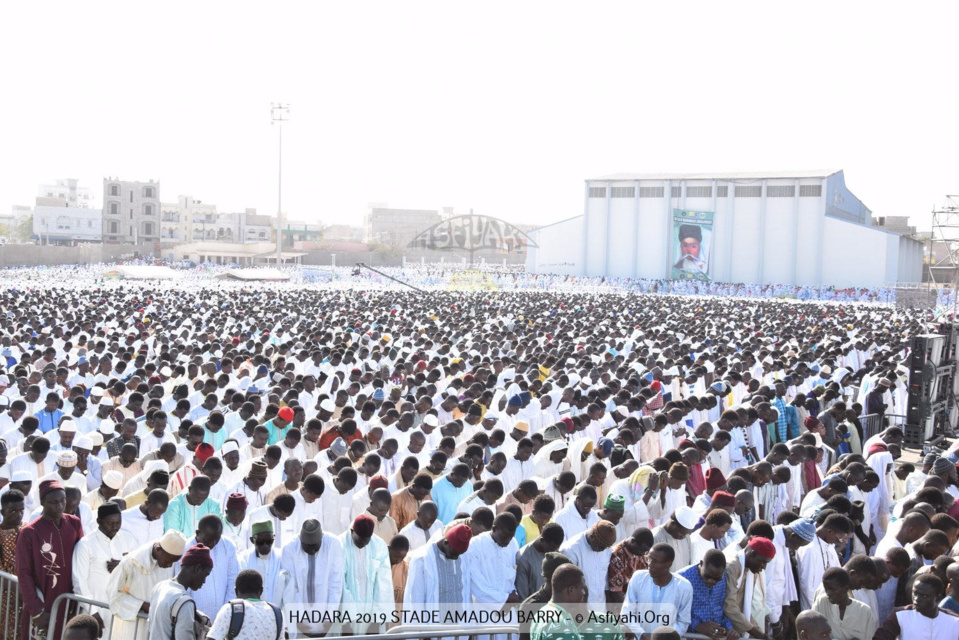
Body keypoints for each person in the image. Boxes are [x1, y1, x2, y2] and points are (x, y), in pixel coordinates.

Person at [15, 478, 84, 640]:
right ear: (43, 503)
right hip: (43, 603)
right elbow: (23, 573)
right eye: (53, 502)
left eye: (62, 501)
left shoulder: (74, 523)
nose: (60, 506)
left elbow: (81, 558)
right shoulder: (29, 532)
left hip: (69, 602)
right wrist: (36, 611)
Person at [107, 530, 187, 640]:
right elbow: (114, 596)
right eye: (168, 561)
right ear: (158, 549)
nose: (170, 566)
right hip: (131, 628)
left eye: (173, 562)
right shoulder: (131, 563)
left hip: (157, 628)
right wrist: (144, 606)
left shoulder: (168, 557)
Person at [280, 518, 343, 637]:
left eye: (315, 546)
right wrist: (299, 621)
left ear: (321, 539)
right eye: (307, 546)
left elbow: (335, 583)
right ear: (300, 540)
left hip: (326, 615)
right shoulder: (289, 548)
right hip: (299, 618)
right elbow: (290, 588)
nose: (311, 550)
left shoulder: (332, 544)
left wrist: (330, 618)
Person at [72, 501, 123, 634]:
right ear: (99, 521)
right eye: (111, 523)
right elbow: (79, 581)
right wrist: (93, 613)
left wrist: (121, 566)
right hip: (93, 612)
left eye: (118, 523)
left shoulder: (122, 541)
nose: (115, 527)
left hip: (116, 612)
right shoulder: (85, 544)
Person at [622, 543, 693, 637]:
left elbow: (683, 622)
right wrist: (641, 635)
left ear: (668, 564)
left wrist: (666, 638)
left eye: (655, 561)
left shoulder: (684, 586)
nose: (650, 564)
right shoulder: (638, 578)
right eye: (649, 559)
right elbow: (627, 613)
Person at [147, 543, 214, 640]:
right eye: (205, 575)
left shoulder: (159, 587)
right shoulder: (184, 602)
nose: (204, 581)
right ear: (197, 568)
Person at [404, 522, 473, 615]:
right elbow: (415, 600)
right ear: (446, 543)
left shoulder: (463, 557)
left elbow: (466, 594)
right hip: (433, 625)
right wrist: (419, 628)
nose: (456, 558)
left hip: (460, 625)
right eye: (454, 554)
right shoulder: (422, 559)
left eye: (459, 554)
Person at [874, 573, 959, 640]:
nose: (917, 599)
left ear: (937, 598)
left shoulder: (954, 621)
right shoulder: (900, 615)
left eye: (924, 596)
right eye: (915, 593)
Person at [723, 536, 776, 639]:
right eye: (763, 562)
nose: (764, 567)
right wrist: (758, 634)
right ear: (753, 554)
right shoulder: (732, 567)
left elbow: (744, 608)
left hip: (735, 627)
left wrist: (761, 634)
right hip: (723, 626)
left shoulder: (751, 571)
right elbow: (729, 607)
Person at [207, 570, 284, 640]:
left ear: (236, 591)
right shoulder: (277, 613)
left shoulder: (230, 609)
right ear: (261, 591)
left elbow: (212, 638)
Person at [678, 549, 736, 640]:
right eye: (707, 576)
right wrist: (698, 626)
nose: (711, 581)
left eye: (716, 579)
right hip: (689, 636)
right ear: (701, 563)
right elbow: (673, 612)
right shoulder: (682, 578)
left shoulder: (723, 576)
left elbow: (719, 609)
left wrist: (729, 628)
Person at [560, 520, 617, 609]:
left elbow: (604, 580)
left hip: (601, 609)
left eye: (606, 548)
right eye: (601, 547)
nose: (603, 550)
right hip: (580, 611)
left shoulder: (605, 548)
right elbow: (567, 588)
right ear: (592, 537)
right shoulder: (571, 550)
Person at [811, 567, 875, 640]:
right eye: (826, 589)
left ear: (846, 588)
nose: (828, 593)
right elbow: (813, 634)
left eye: (832, 589)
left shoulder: (864, 611)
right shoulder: (821, 603)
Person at [238, 520, 289, 605]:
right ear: (252, 540)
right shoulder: (243, 560)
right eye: (260, 542)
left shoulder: (282, 558)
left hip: (276, 612)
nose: (265, 545)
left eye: (269, 541)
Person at [515, 522, 565, 599]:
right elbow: (522, 597)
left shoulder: (556, 553)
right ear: (542, 540)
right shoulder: (523, 559)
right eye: (551, 549)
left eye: (556, 549)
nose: (553, 552)